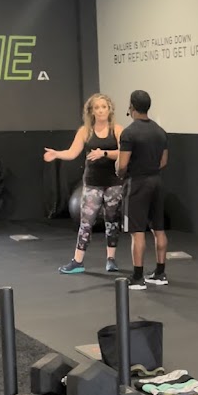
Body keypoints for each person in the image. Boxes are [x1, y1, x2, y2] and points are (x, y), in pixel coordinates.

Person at [43, 93, 124, 275]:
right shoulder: (85, 131)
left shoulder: (117, 130)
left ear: (109, 109)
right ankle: (77, 261)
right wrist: (57, 154)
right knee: (86, 222)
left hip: (113, 183)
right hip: (92, 183)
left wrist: (104, 153)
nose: (101, 111)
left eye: (104, 107)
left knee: (112, 221)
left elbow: (124, 152)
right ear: (91, 111)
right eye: (97, 108)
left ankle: (111, 259)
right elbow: (72, 152)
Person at [116, 90, 169, 290]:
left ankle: (138, 277)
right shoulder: (160, 131)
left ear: (131, 107)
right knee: (158, 229)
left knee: (137, 232)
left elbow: (122, 165)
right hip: (156, 181)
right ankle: (160, 273)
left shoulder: (129, 133)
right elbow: (163, 161)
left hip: (137, 184)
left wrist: (120, 172)